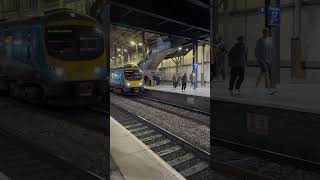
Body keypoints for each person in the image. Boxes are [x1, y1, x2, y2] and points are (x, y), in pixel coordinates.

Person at [255, 28, 273, 92]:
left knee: (262, 73)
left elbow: (271, 49)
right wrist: (258, 58)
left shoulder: (270, 40)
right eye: (266, 32)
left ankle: (256, 85)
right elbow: (256, 50)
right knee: (266, 73)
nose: (267, 33)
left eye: (268, 32)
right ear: (263, 33)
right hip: (261, 59)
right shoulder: (259, 40)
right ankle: (269, 89)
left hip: (268, 59)